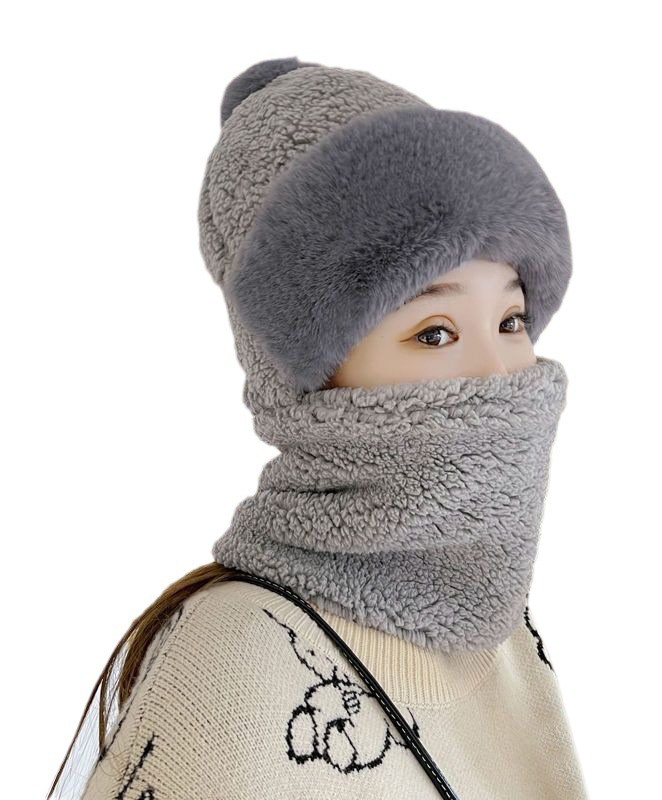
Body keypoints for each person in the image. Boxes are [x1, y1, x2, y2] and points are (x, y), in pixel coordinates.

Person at [48, 57, 589, 800]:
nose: (500, 373)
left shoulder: (500, 635)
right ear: (308, 379)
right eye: (434, 332)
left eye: (511, 320)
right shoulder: (235, 664)